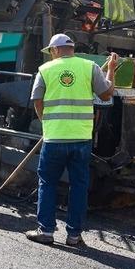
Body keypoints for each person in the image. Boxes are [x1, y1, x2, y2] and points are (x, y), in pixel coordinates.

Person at [25, 34, 117, 246]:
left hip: (55, 138)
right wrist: (111, 68)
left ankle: (46, 231)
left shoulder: (45, 70)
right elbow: (106, 94)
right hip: (81, 139)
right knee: (78, 186)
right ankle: (74, 235)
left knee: (47, 183)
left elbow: (37, 100)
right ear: (71, 49)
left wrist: (46, 122)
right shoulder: (90, 67)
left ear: (55, 50)